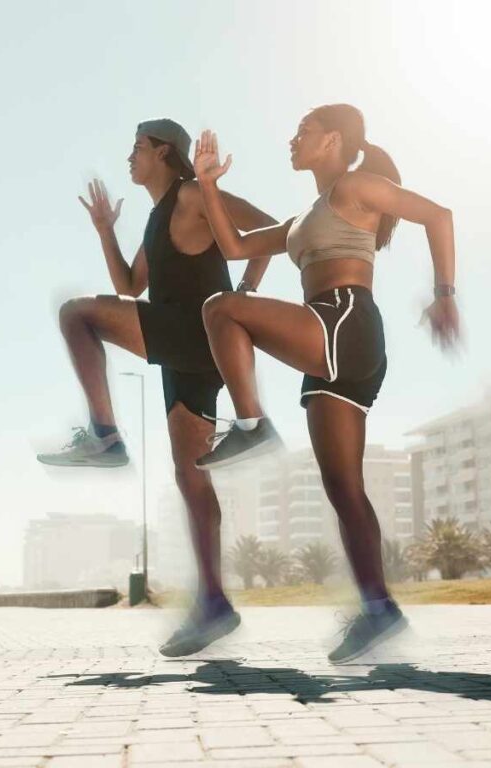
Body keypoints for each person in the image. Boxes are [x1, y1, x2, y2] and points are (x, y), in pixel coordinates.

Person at [189, 104, 459, 663]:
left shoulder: (360, 185)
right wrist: (208, 185)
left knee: (221, 309)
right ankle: (379, 610)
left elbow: (439, 215)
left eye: (303, 130)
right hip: (331, 341)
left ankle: (250, 425)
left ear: (334, 139)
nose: (293, 138)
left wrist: (445, 295)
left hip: (343, 320)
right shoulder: (301, 220)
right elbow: (236, 245)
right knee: (343, 488)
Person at [36, 119, 276, 656]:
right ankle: (214, 604)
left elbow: (268, 232)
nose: (129, 157)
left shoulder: (193, 194)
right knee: (191, 478)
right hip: (186, 352)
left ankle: (104, 436)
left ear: (163, 152)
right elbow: (130, 285)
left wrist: (241, 298)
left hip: (191, 329)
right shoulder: (157, 215)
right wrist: (104, 230)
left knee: (76, 315)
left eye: (137, 148)